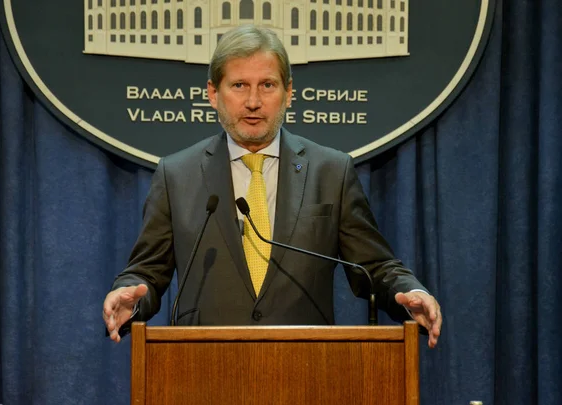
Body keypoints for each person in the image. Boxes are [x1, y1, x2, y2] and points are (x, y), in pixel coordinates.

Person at [103, 25, 442, 348]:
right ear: (212, 94)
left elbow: (373, 267)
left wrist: (409, 293)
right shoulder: (176, 175)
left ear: (288, 92)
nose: (253, 101)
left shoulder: (331, 171)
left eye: (267, 85)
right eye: (239, 86)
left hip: (306, 367)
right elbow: (148, 270)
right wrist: (128, 300)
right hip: (204, 367)